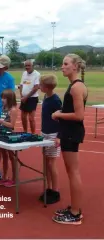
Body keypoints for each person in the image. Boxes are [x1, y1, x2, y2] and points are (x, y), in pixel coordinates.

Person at [51, 54, 87, 225]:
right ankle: (74, 208)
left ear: (75, 66)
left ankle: (75, 214)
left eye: (65, 64)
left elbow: (80, 115)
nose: (62, 66)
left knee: (73, 172)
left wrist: (59, 114)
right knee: (71, 171)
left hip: (72, 132)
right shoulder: (74, 86)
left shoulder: (76, 87)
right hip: (69, 132)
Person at [39, 74, 62, 204]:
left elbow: (62, 119)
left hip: (53, 135)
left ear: (47, 87)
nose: (39, 87)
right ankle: (48, 188)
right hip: (45, 133)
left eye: (41, 85)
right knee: (46, 162)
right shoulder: (46, 97)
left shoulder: (55, 100)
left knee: (51, 163)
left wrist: (59, 137)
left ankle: (55, 189)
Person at [0, 89, 18, 187]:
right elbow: (3, 120)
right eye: (2, 97)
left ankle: (15, 179)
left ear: (10, 99)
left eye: (4, 98)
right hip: (1, 134)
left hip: (9, 135)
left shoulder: (13, 110)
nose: (2, 100)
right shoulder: (4, 107)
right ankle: (5, 177)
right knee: (4, 156)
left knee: (12, 157)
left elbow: (11, 125)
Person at [19, 60, 40, 134]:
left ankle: (33, 134)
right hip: (24, 98)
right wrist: (21, 96)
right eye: (26, 66)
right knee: (23, 117)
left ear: (32, 66)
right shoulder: (24, 73)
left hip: (32, 98)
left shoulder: (37, 74)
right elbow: (21, 85)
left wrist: (26, 97)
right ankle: (25, 132)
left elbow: (36, 87)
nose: (27, 67)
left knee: (31, 118)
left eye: (29, 65)